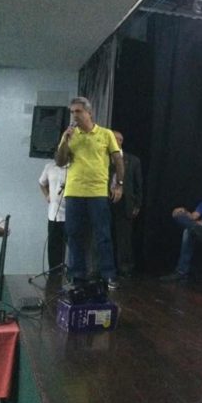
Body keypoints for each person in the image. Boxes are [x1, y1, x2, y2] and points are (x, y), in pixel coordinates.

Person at [54, 96, 123, 290]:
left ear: (89, 113)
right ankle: (78, 275)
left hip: (97, 192)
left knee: (103, 235)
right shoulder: (69, 135)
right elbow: (60, 162)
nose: (74, 115)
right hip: (74, 191)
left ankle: (108, 275)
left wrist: (119, 184)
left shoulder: (106, 134)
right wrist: (65, 141)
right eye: (72, 112)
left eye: (78, 111)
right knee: (74, 235)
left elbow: (118, 161)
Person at [110, 131, 142, 277]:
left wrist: (137, 204)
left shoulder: (133, 160)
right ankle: (104, 267)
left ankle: (124, 268)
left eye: (115, 139)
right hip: (106, 199)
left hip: (125, 202)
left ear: (121, 141)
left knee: (124, 237)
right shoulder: (103, 158)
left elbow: (138, 184)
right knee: (105, 234)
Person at [38, 161, 68, 273]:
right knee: (54, 246)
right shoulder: (49, 166)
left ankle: (72, 275)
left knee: (73, 246)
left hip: (70, 214)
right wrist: (47, 195)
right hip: (54, 214)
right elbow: (42, 182)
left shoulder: (74, 166)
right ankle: (54, 274)